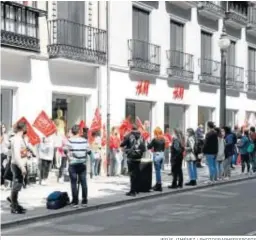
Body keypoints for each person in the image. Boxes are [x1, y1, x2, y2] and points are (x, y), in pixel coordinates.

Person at [65, 125, 94, 207]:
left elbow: (65, 150)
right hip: (82, 164)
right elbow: (89, 152)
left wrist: (68, 157)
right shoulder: (84, 141)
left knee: (73, 183)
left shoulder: (69, 141)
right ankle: (84, 201)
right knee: (83, 182)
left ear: (72, 132)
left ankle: (75, 201)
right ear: (79, 132)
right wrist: (91, 160)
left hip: (73, 164)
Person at [120, 124, 146, 197]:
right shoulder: (141, 136)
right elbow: (144, 148)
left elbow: (122, 144)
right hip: (138, 157)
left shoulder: (129, 135)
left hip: (131, 158)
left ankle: (132, 191)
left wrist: (125, 139)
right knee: (137, 174)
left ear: (131, 129)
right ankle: (137, 190)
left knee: (132, 175)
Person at [10, 122, 27, 214]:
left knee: (18, 185)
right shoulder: (16, 139)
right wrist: (22, 167)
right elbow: (16, 155)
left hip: (18, 164)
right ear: (23, 129)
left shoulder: (19, 139)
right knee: (16, 186)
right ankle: (14, 206)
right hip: (17, 165)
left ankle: (15, 203)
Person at [147, 127, 165, 192]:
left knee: (157, 171)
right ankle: (158, 183)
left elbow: (149, 147)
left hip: (157, 155)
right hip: (162, 155)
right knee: (159, 170)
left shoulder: (155, 139)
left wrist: (148, 142)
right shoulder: (163, 139)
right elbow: (163, 148)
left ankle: (159, 185)